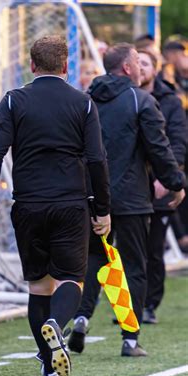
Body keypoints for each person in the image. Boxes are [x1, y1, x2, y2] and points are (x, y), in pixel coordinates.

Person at [0, 35, 111, 376]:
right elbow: (97, 160)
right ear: (66, 66)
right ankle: (57, 325)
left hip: (28, 205)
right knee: (72, 279)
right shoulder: (83, 102)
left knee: (39, 286)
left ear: (31, 65)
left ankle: (49, 367)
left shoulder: (13, 100)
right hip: (71, 204)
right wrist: (103, 209)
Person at [68, 44, 185, 357]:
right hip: (132, 198)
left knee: (95, 261)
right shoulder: (140, 99)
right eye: (137, 60)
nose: (141, 66)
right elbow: (158, 148)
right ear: (128, 68)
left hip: (94, 198)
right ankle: (130, 339)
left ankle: (81, 317)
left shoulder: (86, 100)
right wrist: (176, 183)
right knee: (134, 266)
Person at [138, 49, 187, 324]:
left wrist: (167, 178)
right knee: (126, 250)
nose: (140, 67)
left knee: (153, 249)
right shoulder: (124, 97)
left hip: (158, 184)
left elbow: (177, 142)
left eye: (145, 63)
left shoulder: (170, 101)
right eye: (136, 63)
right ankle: (130, 303)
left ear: (154, 69)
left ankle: (148, 304)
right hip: (128, 186)